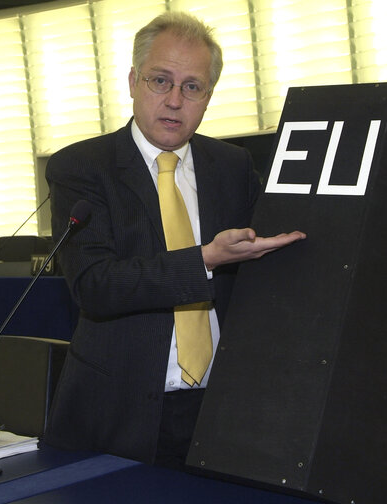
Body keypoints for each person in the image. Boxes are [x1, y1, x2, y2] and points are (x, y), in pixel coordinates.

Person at [43, 11, 305, 467]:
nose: (174, 101)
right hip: (117, 409)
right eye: (160, 81)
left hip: (223, 406)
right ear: (132, 81)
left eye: (192, 87)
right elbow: (95, 286)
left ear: (208, 96)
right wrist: (204, 259)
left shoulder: (233, 165)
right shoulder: (82, 168)